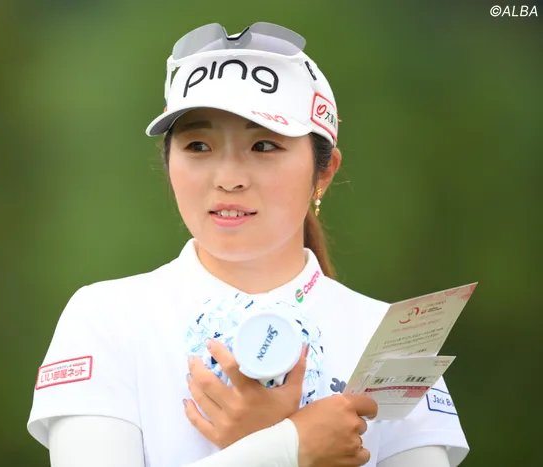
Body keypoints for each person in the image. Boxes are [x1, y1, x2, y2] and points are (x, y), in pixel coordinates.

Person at [26, 22, 469, 467]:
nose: (229, 178)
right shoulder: (107, 317)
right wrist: (289, 447)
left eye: (264, 145)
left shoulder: (393, 338)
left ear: (324, 171)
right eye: (198, 145)